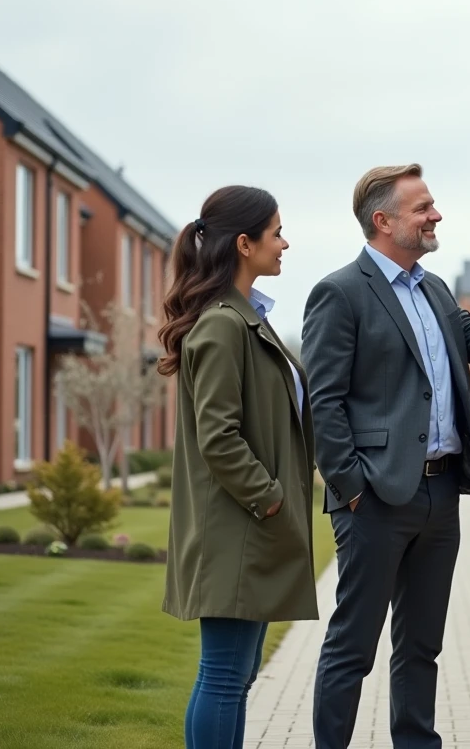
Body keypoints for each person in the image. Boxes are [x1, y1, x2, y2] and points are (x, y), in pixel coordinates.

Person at [301, 163, 470, 749]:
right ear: (383, 220)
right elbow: (324, 403)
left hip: (441, 496)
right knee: (353, 646)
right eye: (423, 208)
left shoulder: (435, 288)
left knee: (421, 646)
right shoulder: (339, 293)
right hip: (374, 499)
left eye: (433, 205)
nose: (436, 215)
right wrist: (352, 487)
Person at [157, 185, 321, 749]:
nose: (285, 243)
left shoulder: (241, 317)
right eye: (277, 233)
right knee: (225, 676)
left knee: (235, 676)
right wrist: (270, 497)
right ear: (245, 243)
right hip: (239, 529)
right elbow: (218, 437)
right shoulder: (224, 324)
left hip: (250, 528)